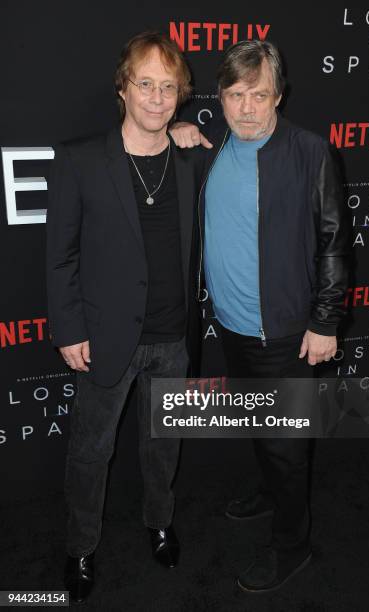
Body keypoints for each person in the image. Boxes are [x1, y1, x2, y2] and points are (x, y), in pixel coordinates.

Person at [170, 40, 350, 593]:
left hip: (290, 334)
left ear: (280, 96)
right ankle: (271, 492)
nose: (247, 107)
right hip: (232, 326)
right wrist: (176, 128)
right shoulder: (216, 150)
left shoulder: (309, 151)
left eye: (260, 94)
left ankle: (292, 545)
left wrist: (326, 321)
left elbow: (335, 241)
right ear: (219, 98)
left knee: (288, 447)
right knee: (262, 425)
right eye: (235, 94)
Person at [46, 31, 201, 604]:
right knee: (92, 451)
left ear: (180, 95)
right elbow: (60, 255)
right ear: (122, 87)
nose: (157, 99)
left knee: (164, 447)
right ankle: (81, 547)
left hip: (174, 337)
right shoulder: (81, 159)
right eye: (146, 85)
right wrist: (69, 330)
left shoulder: (191, 156)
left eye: (169, 88)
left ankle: (159, 521)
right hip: (106, 339)